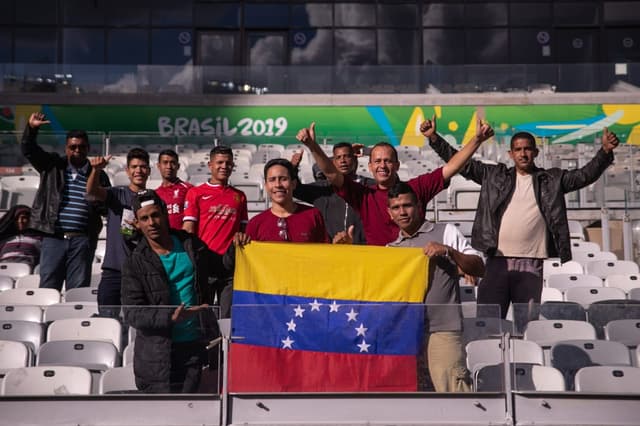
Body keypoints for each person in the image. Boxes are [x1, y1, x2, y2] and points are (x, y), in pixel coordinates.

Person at [427, 126, 620, 318]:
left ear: (535, 152)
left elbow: (584, 176)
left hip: (531, 262)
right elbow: (461, 164)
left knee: (526, 324)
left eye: (527, 149)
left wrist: (605, 152)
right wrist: (434, 138)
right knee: (488, 322)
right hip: (496, 262)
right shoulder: (494, 175)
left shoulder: (552, 180)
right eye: (518, 150)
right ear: (510, 154)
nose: (523, 154)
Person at [296, 118, 494, 245]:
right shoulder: (364, 196)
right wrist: (312, 146)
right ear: (370, 166)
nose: (383, 166)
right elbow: (332, 174)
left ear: (397, 165)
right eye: (378, 161)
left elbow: (452, 168)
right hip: (379, 269)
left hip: (411, 267)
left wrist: (476, 140)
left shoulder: (417, 188)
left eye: (388, 161)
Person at [121, 189, 229, 393]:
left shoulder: (191, 245)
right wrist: (170, 316)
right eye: (144, 218)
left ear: (165, 214)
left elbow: (222, 266)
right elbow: (132, 313)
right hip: (156, 357)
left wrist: (236, 248)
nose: (151, 223)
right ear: (137, 223)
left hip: (194, 349)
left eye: (155, 215)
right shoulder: (134, 263)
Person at [387, 182, 484, 392]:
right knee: (412, 396)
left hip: (443, 330)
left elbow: (479, 267)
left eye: (407, 205)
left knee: (453, 394)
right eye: (396, 207)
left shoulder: (445, 232)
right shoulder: (390, 250)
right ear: (389, 213)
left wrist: (449, 251)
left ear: (418, 206)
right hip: (405, 334)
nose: (402, 212)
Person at [20, 112, 110, 291]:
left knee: (77, 291)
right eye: (73, 147)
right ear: (66, 148)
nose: (77, 151)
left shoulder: (98, 173)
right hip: (53, 237)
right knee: (48, 287)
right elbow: (29, 150)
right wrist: (31, 129)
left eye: (81, 147)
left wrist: (96, 173)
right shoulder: (52, 166)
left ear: (88, 148)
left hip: (82, 240)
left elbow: (105, 207)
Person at [87, 148, 150, 317]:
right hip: (113, 272)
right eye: (134, 167)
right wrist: (96, 170)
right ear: (127, 171)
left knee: (137, 325)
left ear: (149, 171)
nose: (139, 171)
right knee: (107, 321)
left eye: (143, 167)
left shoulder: (154, 200)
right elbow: (92, 192)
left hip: (141, 273)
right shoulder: (116, 194)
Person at [291, 143, 373, 244]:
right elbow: (294, 190)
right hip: (329, 251)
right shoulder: (322, 188)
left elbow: (390, 183)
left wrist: (368, 151)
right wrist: (292, 168)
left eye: (347, 156)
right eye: (338, 158)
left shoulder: (368, 186)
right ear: (332, 162)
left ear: (355, 159)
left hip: (364, 250)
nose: (342, 161)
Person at [244, 159, 329, 243]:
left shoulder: (313, 216)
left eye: (283, 179)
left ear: (294, 184)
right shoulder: (255, 224)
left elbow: (325, 252)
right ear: (266, 186)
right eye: (272, 180)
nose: (278, 185)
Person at [183, 145, 248, 255]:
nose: (224, 166)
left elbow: (244, 230)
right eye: (220, 162)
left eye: (228, 163)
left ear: (232, 166)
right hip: (204, 255)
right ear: (210, 165)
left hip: (231, 257)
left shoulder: (240, 196)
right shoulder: (195, 192)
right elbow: (188, 229)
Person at [153, 149, 193, 231]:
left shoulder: (189, 189)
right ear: (158, 166)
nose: (169, 166)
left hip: (183, 240)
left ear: (178, 166)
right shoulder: (155, 194)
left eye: (172, 163)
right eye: (165, 162)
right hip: (164, 240)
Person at [0, 205, 42, 271]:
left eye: (24, 218)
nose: (20, 221)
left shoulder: (38, 239)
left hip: (27, 269)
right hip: (4, 268)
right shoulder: (4, 239)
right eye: (16, 219)